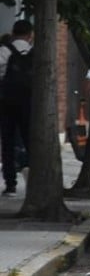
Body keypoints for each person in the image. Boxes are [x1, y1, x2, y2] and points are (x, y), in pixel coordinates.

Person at [0, 20, 33, 195]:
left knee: (8, 142)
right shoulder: (35, 53)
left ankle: (10, 183)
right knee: (30, 141)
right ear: (30, 34)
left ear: (13, 33)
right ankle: (33, 177)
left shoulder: (5, 51)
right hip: (29, 104)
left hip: (7, 103)